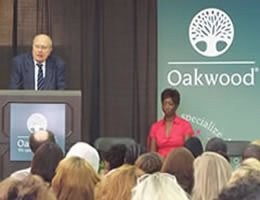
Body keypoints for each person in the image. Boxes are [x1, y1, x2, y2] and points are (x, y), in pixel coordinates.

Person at [148, 88, 194, 157]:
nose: (167, 107)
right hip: (160, 165)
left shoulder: (185, 125)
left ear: (176, 106)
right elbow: (152, 155)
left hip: (178, 164)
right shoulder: (155, 127)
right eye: (165, 103)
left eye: (170, 104)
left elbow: (187, 153)